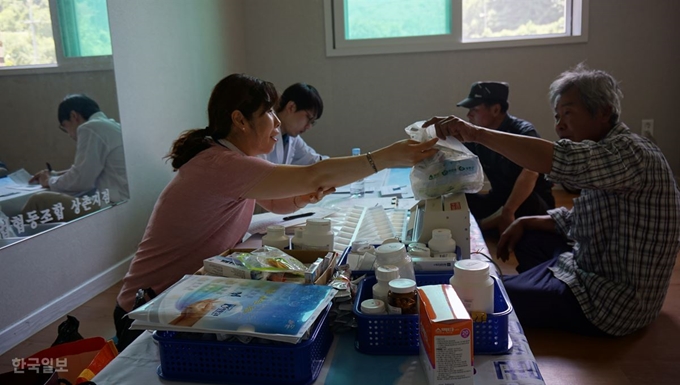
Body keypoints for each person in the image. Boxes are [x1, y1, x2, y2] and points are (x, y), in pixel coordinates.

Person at [114, 73, 438, 350]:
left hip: (182, 295)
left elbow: (282, 202)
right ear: (239, 120)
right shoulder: (221, 164)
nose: (278, 121)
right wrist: (385, 157)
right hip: (147, 308)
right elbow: (315, 173)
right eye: (269, 111)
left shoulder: (228, 159)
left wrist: (307, 196)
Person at [424, 64, 680, 337]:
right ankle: (542, 289)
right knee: (524, 236)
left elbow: (559, 160)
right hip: (585, 264)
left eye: (568, 113)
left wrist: (475, 133)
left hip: (612, 300)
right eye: (557, 116)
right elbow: (593, 215)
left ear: (604, 111)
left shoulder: (630, 153)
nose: (559, 125)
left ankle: (543, 293)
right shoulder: (608, 153)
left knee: (488, 298)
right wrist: (525, 221)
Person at [455, 81, 554, 234]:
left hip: (529, 201)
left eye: (474, 109)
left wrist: (508, 211)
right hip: (500, 197)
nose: (469, 115)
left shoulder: (523, 132)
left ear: (495, 109)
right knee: (460, 197)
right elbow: (460, 160)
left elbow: (531, 173)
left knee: (526, 202)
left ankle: (490, 224)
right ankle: (490, 224)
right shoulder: (478, 135)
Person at [23, 94, 129, 221]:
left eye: (65, 127)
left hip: (114, 206)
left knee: (38, 202)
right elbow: (91, 168)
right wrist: (54, 174)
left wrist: (49, 181)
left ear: (74, 116)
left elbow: (81, 181)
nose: (69, 135)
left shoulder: (90, 128)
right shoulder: (110, 126)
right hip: (125, 203)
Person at [262, 82, 328, 165]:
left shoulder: (292, 138)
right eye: (308, 118)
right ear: (291, 107)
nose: (308, 126)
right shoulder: (263, 131)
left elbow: (315, 160)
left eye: (312, 122)